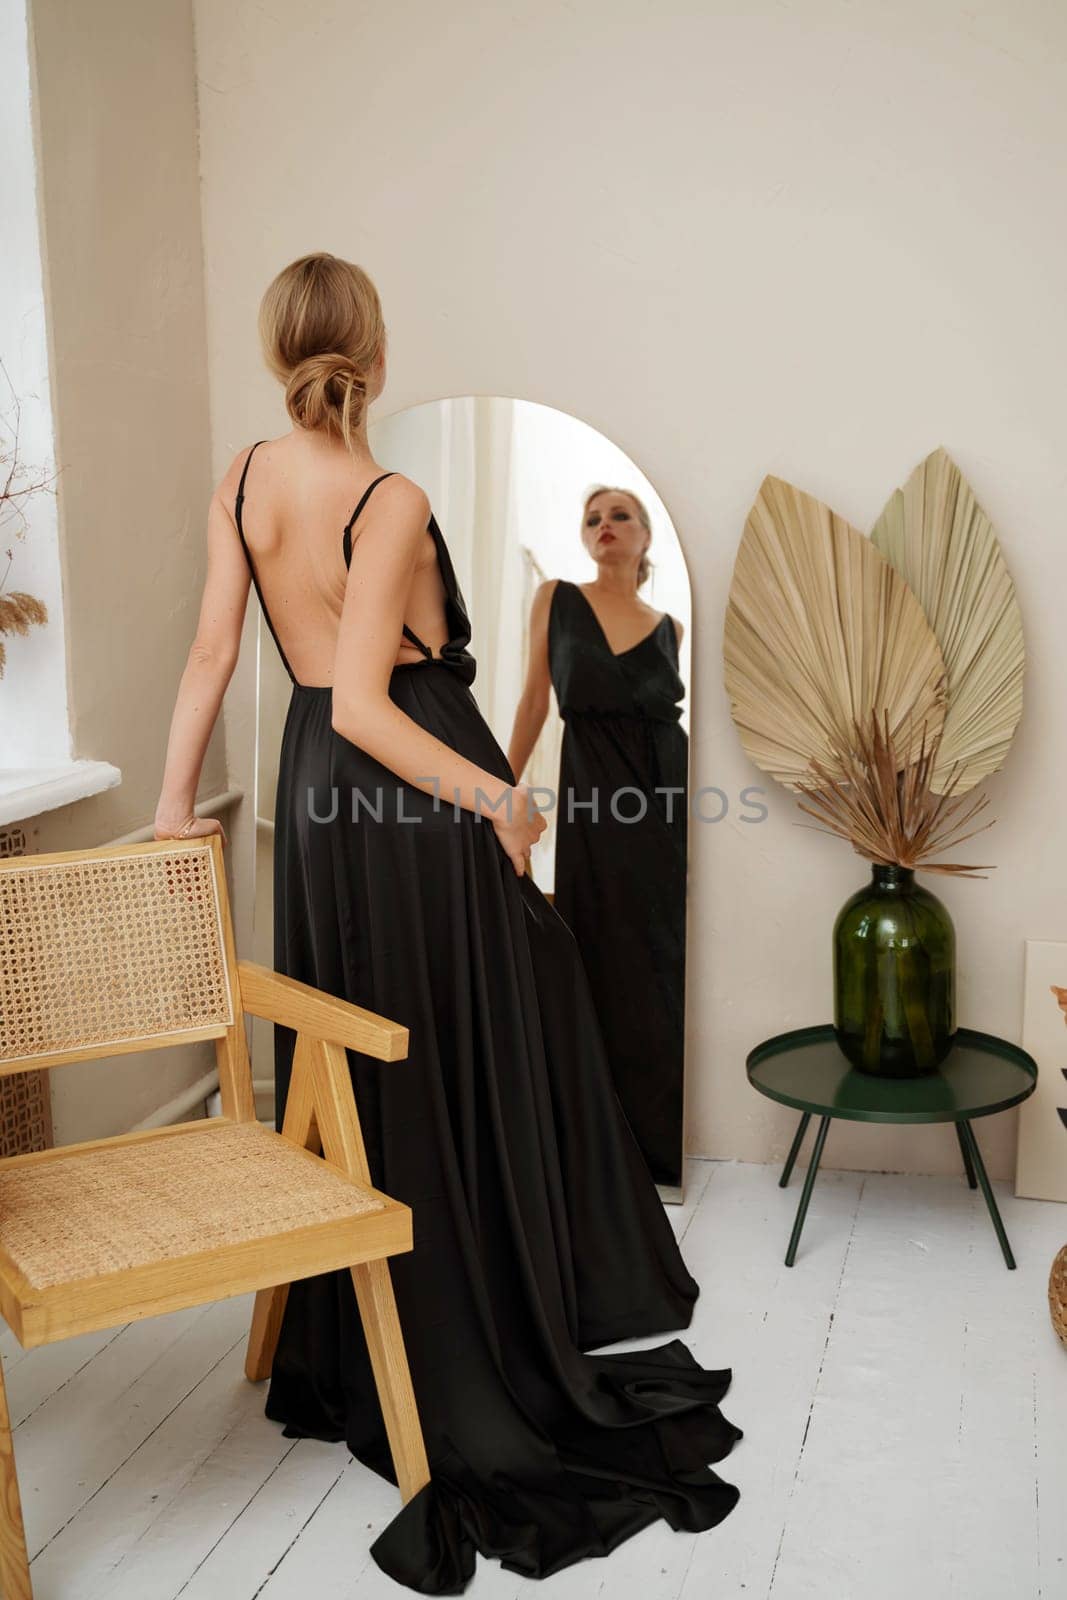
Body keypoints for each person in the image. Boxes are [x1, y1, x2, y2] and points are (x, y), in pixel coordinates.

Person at [153, 252, 740, 1593]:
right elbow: (372, 704)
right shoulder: (385, 493)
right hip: (408, 793)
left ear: (274, 347)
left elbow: (211, 656)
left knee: (371, 1051)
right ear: (371, 345)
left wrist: (175, 802)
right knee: (476, 1032)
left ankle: (367, 1334)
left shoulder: (244, 479)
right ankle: (475, 1329)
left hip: (319, 802)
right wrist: (501, 803)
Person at [508, 490, 688, 1186]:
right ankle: (595, 1139)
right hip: (591, 798)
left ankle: (659, 1134)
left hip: (663, 803)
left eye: (619, 516)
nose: (605, 526)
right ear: (584, 540)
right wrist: (497, 796)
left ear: (645, 536)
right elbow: (532, 701)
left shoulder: (671, 627)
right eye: (592, 519)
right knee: (593, 950)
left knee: (657, 958)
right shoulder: (555, 598)